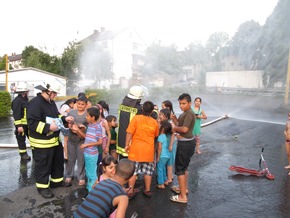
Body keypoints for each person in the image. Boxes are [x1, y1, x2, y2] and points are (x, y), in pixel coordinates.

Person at [27, 82, 74, 198]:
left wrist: (64, 118)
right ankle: (42, 187)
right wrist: (48, 128)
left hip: (54, 140)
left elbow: (56, 116)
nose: (55, 95)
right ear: (47, 91)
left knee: (57, 162)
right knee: (43, 165)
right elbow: (32, 123)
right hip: (41, 142)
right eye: (54, 93)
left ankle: (56, 181)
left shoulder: (51, 102)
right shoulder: (35, 104)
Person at [125, 101, 159, 198]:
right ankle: (147, 190)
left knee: (133, 172)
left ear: (142, 108)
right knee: (148, 172)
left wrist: (126, 144)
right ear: (152, 110)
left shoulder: (136, 118)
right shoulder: (154, 122)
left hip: (136, 150)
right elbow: (156, 135)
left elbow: (129, 132)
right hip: (148, 151)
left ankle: (130, 191)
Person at [170, 93, 195, 204]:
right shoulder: (186, 113)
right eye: (180, 103)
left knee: (180, 169)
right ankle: (183, 189)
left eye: (184, 104)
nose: (181, 106)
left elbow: (184, 129)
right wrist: (175, 120)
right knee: (184, 168)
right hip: (188, 143)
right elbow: (181, 125)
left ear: (190, 103)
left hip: (185, 145)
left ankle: (182, 197)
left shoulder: (189, 113)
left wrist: (173, 127)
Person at [65, 96, 88, 187]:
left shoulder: (87, 114)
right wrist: (71, 126)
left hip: (82, 140)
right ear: (76, 103)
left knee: (81, 159)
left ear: (86, 105)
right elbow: (67, 124)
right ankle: (69, 175)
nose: (80, 106)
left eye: (82, 104)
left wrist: (81, 127)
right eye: (78, 104)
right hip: (71, 139)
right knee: (71, 159)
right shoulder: (71, 112)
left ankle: (81, 176)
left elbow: (89, 126)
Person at [117, 85, 144, 159]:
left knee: (122, 163)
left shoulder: (121, 106)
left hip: (120, 139)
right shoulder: (139, 109)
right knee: (130, 166)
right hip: (131, 142)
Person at [80, 107, 103, 192]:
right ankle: (90, 187)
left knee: (92, 174)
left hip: (92, 154)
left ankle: (93, 192)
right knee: (89, 172)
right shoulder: (90, 125)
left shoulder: (98, 127)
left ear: (93, 117)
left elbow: (100, 142)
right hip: (87, 152)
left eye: (88, 116)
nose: (86, 117)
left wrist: (87, 144)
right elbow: (88, 137)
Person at [11, 82, 31, 161]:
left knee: (31, 138)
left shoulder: (24, 99)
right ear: (25, 92)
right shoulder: (18, 101)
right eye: (28, 91)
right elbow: (16, 114)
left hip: (27, 124)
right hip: (21, 125)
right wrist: (19, 126)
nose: (28, 92)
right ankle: (23, 154)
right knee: (21, 140)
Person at [159, 108, 176, 184]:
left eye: (160, 114)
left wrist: (171, 145)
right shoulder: (161, 123)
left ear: (166, 116)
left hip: (169, 145)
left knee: (169, 162)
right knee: (164, 161)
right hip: (164, 145)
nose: (159, 116)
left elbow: (173, 135)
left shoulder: (170, 124)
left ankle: (169, 178)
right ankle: (165, 178)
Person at [156, 120, 172, 189]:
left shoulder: (160, 137)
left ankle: (161, 184)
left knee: (159, 168)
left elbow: (159, 148)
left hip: (162, 155)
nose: (158, 126)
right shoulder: (165, 136)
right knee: (163, 168)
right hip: (167, 155)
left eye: (160, 125)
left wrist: (158, 157)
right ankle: (165, 180)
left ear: (162, 128)